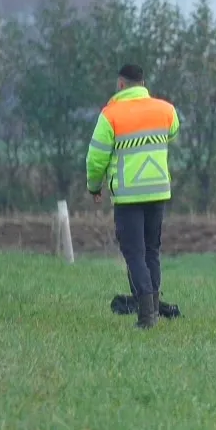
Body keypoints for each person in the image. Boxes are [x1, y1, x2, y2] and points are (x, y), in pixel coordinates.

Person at [86, 63, 181, 329]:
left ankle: (147, 315)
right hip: (158, 192)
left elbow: (96, 158)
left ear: (120, 84)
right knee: (152, 251)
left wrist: (95, 186)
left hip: (128, 196)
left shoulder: (110, 115)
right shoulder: (166, 110)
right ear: (143, 83)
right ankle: (152, 304)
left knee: (135, 254)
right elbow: (173, 130)